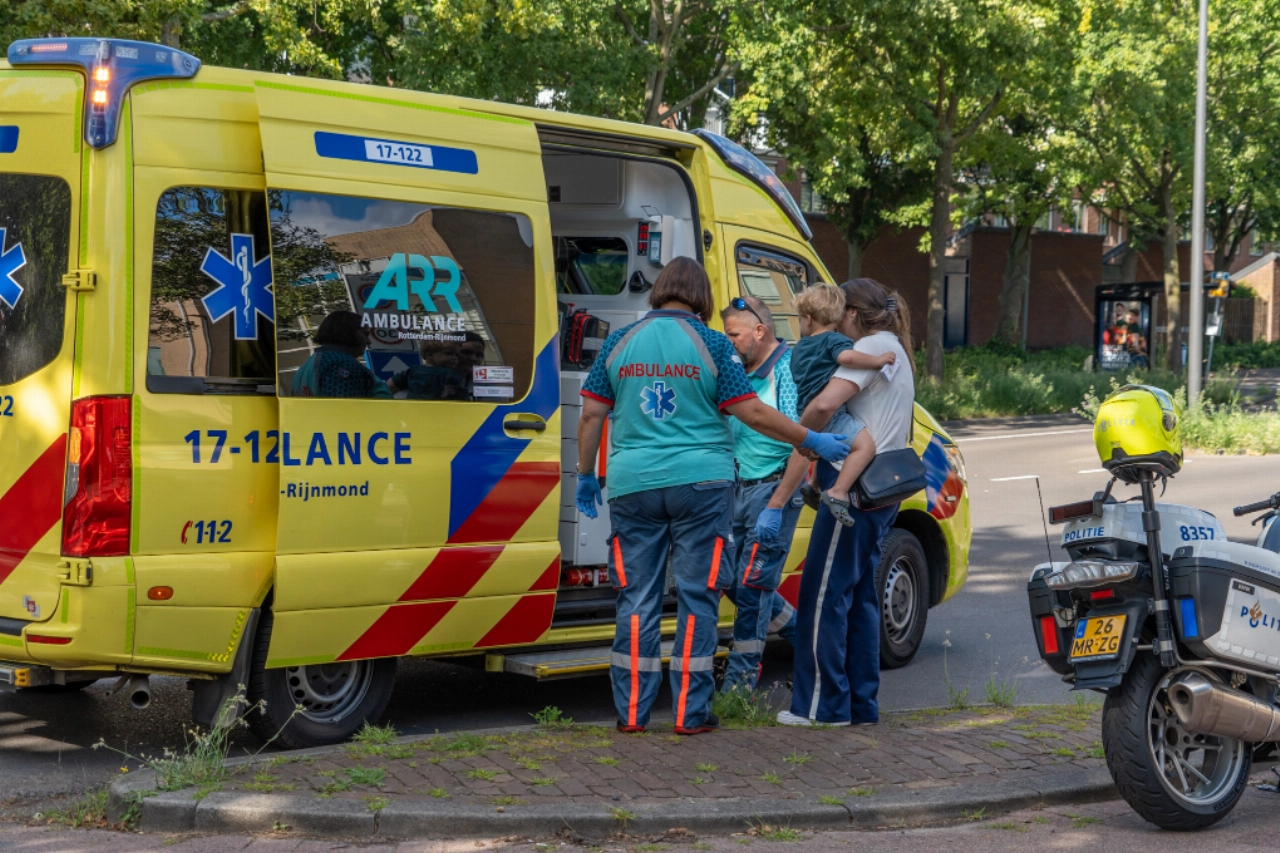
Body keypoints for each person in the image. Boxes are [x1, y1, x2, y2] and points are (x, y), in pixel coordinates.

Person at [574, 257, 852, 736]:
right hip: (702, 485)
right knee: (697, 597)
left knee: (636, 598)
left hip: (633, 485)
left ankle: (632, 715)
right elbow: (752, 412)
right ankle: (689, 714)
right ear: (701, 298)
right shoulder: (714, 344)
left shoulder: (620, 341)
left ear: (660, 292)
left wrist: (584, 474)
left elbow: (591, 415)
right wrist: (811, 440)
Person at [778, 278, 916, 727]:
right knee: (860, 597)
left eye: (839, 312)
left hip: (851, 488)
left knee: (822, 593)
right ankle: (860, 704)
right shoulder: (896, 346)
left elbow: (824, 405)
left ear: (852, 314)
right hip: (883, 487)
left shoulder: (869, 346)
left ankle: (821, 707)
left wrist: (803, 436)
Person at [719, 295, 805, 691]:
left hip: (772, 488)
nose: (729, 341)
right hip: (737, 490)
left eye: (734, 334)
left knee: (753, 588)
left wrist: (777, 503)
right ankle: (808, 640)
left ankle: (739, 686)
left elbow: (803, 442)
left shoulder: (786, 370)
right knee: (731, 579)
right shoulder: (740, 369)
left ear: (759, 331)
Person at [789, 284, 897, 526]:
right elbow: (847, 358)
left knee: (828, 448)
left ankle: (814, 483)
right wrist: (877, 361)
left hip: (804, 410)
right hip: (833, 415)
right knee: (865, 448)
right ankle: (837, 491)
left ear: (807, 319)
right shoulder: (834, 340)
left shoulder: (798, 348)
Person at [292, 310, 392, 399]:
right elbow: (347, 412)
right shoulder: (342, 364)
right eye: (364, 334)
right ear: (348, 332)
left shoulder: (307, 366)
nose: (368, 341)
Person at [388, 339, 466, 400]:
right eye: (449, 353)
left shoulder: (413, 371)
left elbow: (388, 387)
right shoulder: (451, 375)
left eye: (456, 355)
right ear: (429, 355)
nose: (454, 358)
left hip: (413, 411)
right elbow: (462, 398)